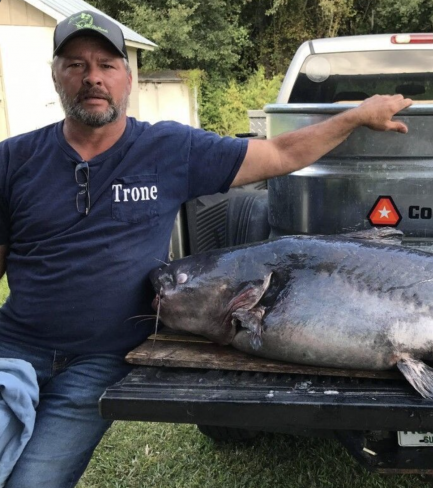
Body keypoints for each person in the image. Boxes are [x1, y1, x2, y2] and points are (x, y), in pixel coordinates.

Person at [0, 10, 411, 488]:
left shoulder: (169, 149)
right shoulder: (14, 159)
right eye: (75, 64)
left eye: (106, 64)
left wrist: (357, 116)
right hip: (13, 349)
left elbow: (279, 154)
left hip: (98, 361)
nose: (93, 77)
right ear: (55, 76)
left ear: (127, 78)